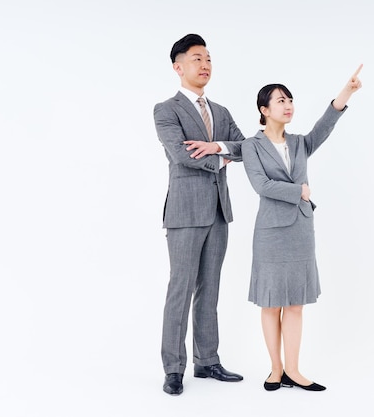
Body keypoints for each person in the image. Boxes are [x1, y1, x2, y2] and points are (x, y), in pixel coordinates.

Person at [241, 65, 363, 392]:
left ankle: (293, 370)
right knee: (270, 303)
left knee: (295, 303)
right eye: (280, 101)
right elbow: (261, 185)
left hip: (300, 232)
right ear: (264, 110)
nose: (288, 105)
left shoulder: (299, 143)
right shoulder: (251, 146)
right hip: (270, 233)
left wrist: (346, 92)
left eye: (290, 99)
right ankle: (275, 369)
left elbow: (324, 126)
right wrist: (299, 191)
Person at [153, 33, 245, 396]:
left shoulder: (220, 112)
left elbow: (246, 146)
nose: (205, 64)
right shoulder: (166, 108)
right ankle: (173, 368)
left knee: (210, 289)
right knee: (181, 288)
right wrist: (221, 159)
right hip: (186, 211)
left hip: (219, 211)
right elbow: (179, 155)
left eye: (208, 58)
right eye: (196, 58)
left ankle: (207, 361)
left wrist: (219, 146)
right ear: (178, 67)